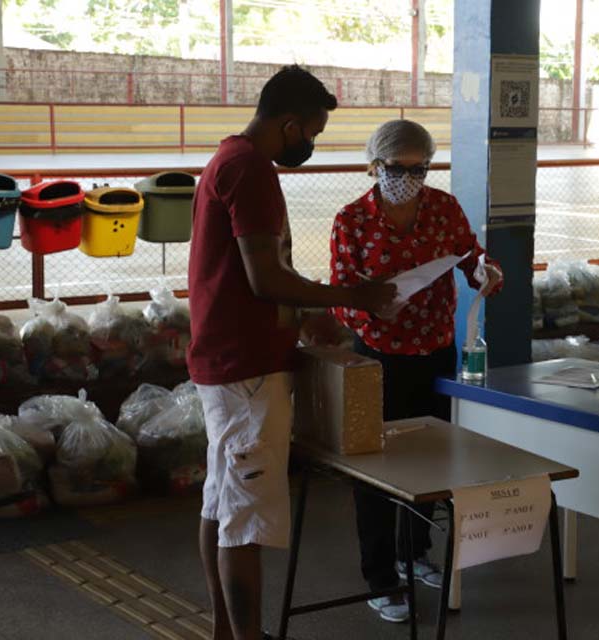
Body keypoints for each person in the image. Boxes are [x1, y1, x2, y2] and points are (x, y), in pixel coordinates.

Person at [188, 65, 396, 640]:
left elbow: (266, 270)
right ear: (288, 124)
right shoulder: (249, 170)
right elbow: (264, 280)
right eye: (312, 133)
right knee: (245, 519)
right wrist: (353, 296)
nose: (311, 143)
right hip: (246, 370)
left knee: (223, 502)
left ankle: (227, 631)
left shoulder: (231, 160)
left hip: (232, 361)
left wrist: (310, 311)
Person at [329, 119, 503, 623]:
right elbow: (340, 294)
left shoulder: (443, 209)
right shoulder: (352, 221)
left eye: (418, 167)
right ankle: (380, 574)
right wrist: (367, 309)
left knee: (431, 458)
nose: (408, 176)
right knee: (378, 467)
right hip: (377, 356)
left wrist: (485, 272)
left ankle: (415, 551)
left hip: (435, 351)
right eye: (396, 167)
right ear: (374, 165)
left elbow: (471, 254)